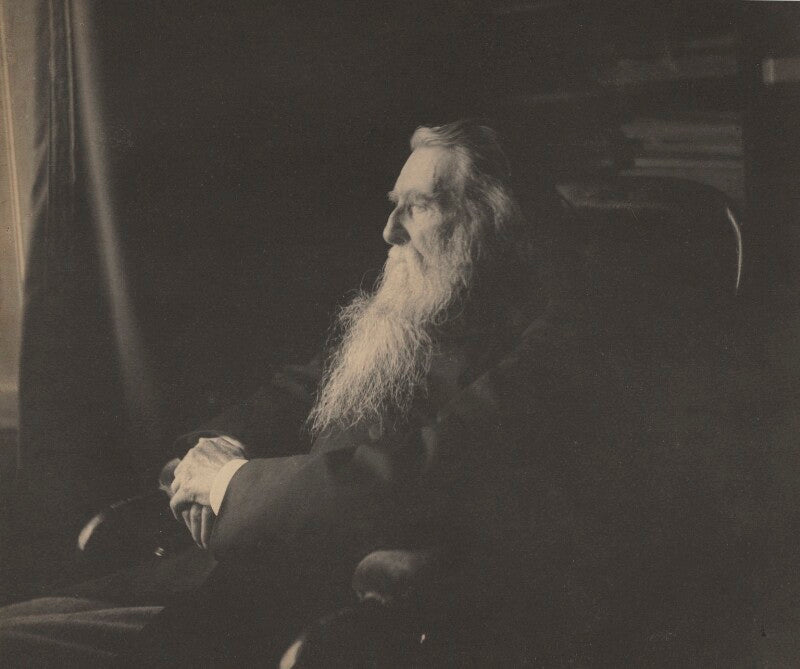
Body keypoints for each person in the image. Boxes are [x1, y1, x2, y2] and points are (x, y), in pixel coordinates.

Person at [0, 120, 753, 666]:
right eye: (394, 204)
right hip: (217, 575)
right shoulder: (422, 307)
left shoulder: (565, 338)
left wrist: (229, 485)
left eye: (417, 206)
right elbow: (297, 390)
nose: (388, 231)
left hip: (324, 620)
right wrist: (210, 450)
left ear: (493, 222)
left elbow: (415, 475)